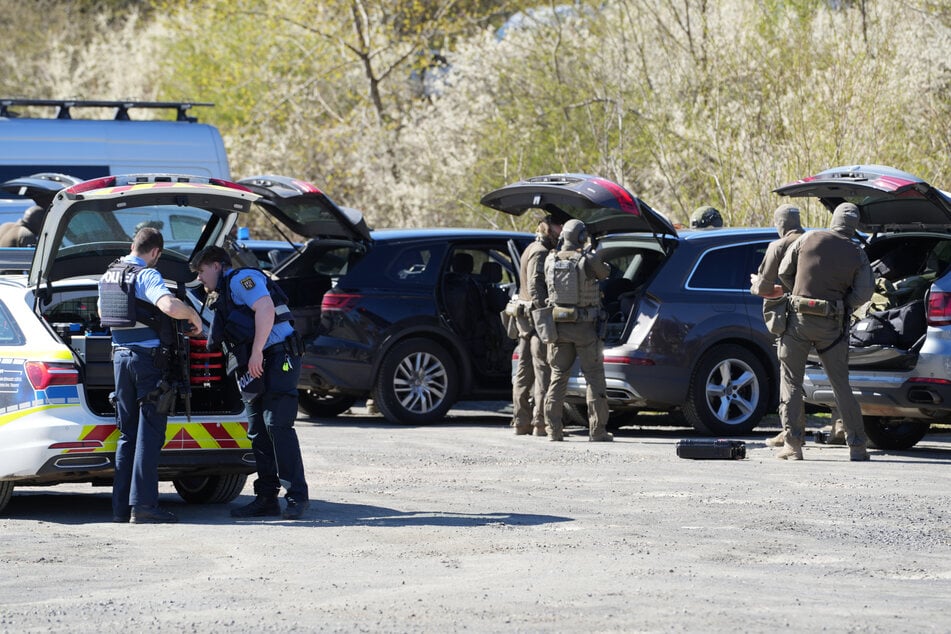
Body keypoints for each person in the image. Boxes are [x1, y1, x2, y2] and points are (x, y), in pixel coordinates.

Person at [191, 245, 309, 519]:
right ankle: (266, 498)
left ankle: (297, 497)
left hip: (278, 356)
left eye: (201, 270)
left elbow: (265, 308)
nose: (199, 277)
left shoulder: (242, 280)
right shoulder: (222, 294)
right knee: (257, 430)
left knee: (277, 426)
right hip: (255, 363)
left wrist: (256, 352)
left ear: (217, 265)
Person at [98, 227, 203, 523]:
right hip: (147, 362)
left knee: (128, 434)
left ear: (134, 245)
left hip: (119, 359)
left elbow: (102, 314)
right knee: (150, 433)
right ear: (155, 251)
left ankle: (121, 508)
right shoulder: (147, 275)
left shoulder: (108, 275)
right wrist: (193, 315)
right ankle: (144, 506)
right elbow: (168, 305)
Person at [776, 203, 874, 461]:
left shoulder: (808, 238)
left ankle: (793, 445)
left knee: (791, 382)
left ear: (834, 220)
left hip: (798, 322)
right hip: (832, 325)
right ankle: (857, 447)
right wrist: (842, 305)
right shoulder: (857, 253)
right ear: (854, 226)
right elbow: (864, 293)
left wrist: (799, 293)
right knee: (840, 385)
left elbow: (783, 271)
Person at [542, 219, 612, 441]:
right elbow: (605, 273)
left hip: (558, 327)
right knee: (594, 377)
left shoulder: (550, 259)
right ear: (581, 237)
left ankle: (553, 430)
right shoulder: (587, 259)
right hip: (585, 328)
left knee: (557, 377)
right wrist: (593, 252)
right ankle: (597, 430)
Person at [750, 204, 805, 448]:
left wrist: (756, 284)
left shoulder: (779, 245)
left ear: (779, 224)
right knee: (832, 378)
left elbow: (763, 288)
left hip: (791, 319)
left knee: (790, 379)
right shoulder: (815, 242)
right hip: (826, 318)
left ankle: (791, 433)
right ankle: (841, 427)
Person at [511, 216, 562, 436]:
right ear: (550, 228)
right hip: (535, 321)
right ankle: (540, 423)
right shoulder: (541, 251)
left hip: (525, 320)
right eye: (559, 226)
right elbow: (535, 286)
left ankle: (521, 422)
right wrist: (545, 311)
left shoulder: (530, 248)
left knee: (523, 373)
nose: (562, 230)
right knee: (543, 372)